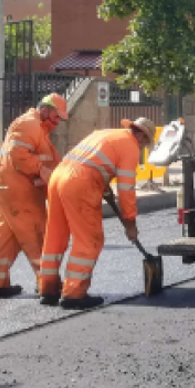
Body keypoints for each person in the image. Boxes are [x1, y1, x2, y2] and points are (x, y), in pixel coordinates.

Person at [38, 117, 154, 309]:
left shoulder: (104, 133)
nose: (142, 147)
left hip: (58, 177)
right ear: (140, 135)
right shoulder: (130, 146)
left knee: (55, 236)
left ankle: (48, 290)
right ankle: (73, 294)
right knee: (89, 239)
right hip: (80, 182)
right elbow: (126, 190)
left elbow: (93, 161)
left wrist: (104, 185)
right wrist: (130, 223)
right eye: (144, 142)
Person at [0, 94, 67, 299]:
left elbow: (52, 161)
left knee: (6, 236)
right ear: (44, 110)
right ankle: (48, 284)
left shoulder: (39, 129)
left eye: (59, 120)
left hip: (9, 188)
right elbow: (18, 155)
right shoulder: (29, 125)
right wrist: (42, 172)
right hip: (19, 190)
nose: (56, 123)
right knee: (37, 232)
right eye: (55, 117)